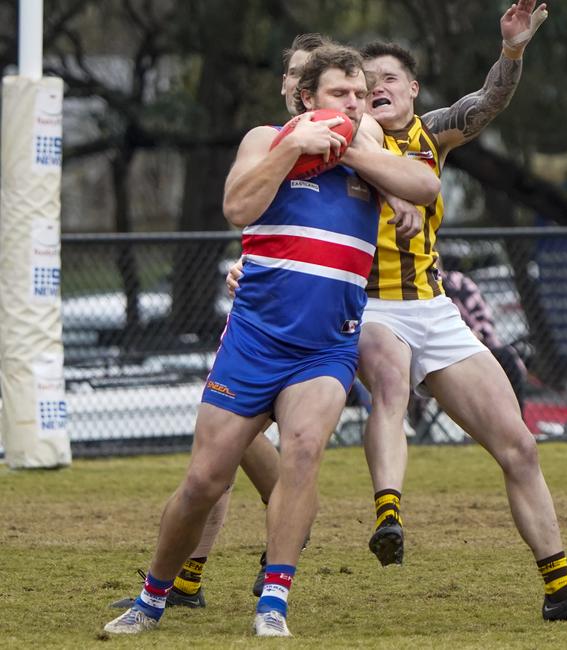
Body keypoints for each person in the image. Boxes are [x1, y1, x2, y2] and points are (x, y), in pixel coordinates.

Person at [104, 43, 439, 637]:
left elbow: (424, 185)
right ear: (307, 97)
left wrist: (372, 169)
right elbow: (237, 206)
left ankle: (274, 603)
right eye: (341, 94)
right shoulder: (266, 139)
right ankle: (151, 596)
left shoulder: (368, 151)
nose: (356, 104)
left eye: (361, 95)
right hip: (256, 341)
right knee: (205, 480)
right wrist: (292, 148)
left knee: (304, 453)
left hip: (326, 347)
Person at [353, 0, 567, 621]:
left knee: (520, 446)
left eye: (389, 78)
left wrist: (513, 50)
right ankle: (388, 513)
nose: (377, 88)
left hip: (433, 307)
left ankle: (562, 592)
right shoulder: (341, 139)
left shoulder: (432, 131)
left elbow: (488, 103)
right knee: (391, 386)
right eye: (366, 84)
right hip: (368, 306)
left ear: (413, 89)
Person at [441, 266, 527, 412]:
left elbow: (484, 326)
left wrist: (470, 336)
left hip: (473, 347)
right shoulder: (416, 293)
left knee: (506, 357)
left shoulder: (457, 283)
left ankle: (517, 418)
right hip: (442, 356)